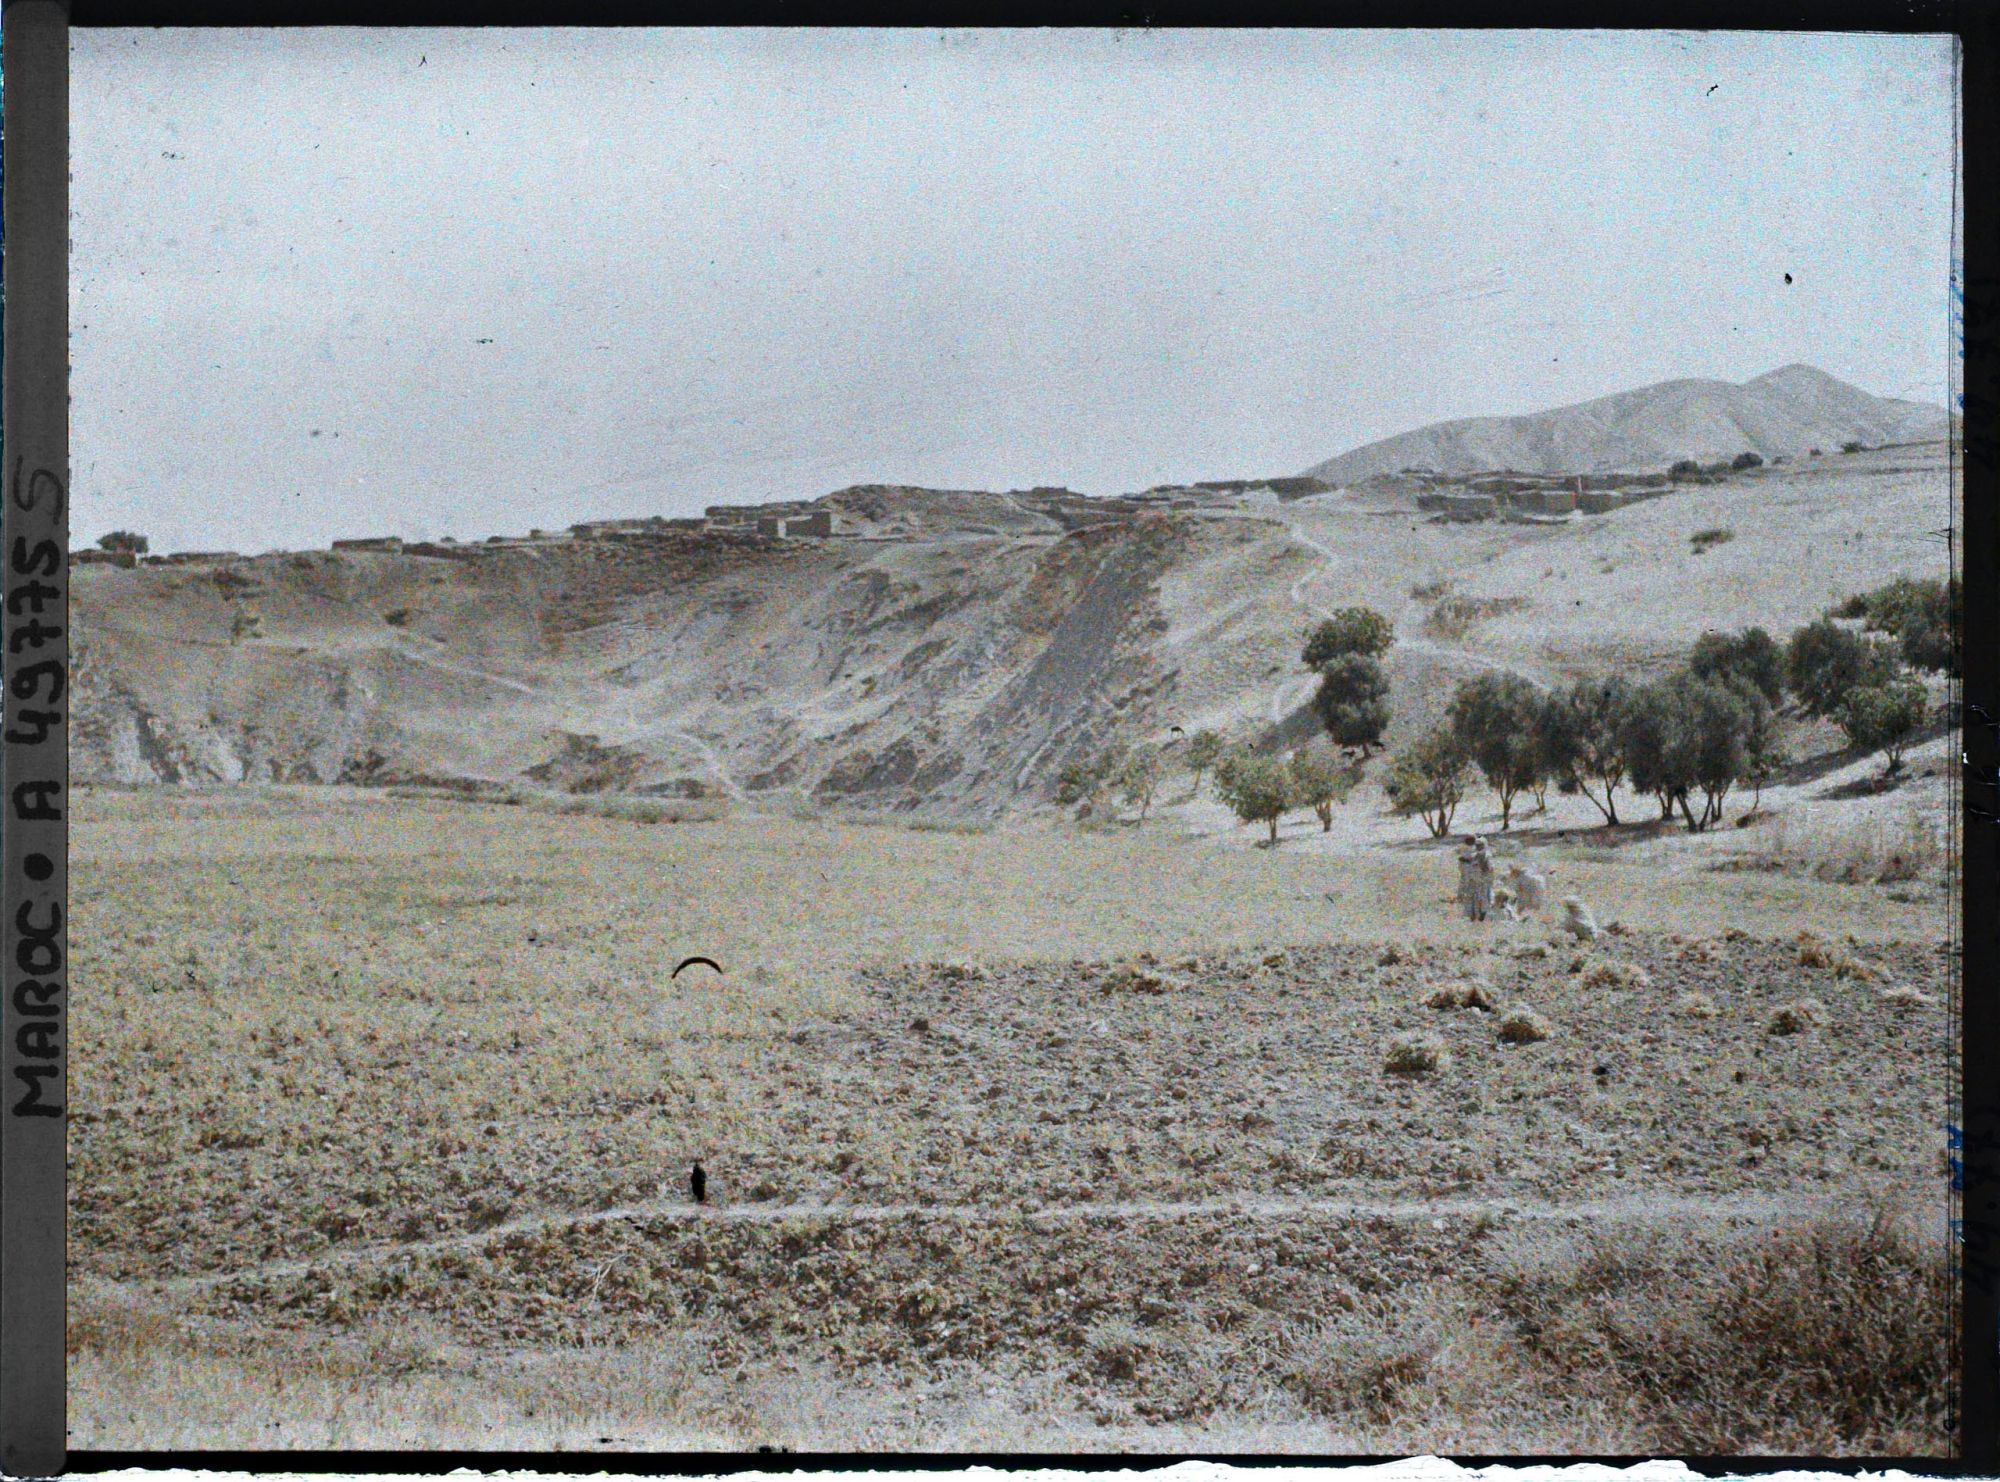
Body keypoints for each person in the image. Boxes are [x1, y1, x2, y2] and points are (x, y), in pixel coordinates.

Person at [1456, 834, 1495, 922]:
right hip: (1473, 883)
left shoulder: (1487, 856)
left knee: (1484, 901)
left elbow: (1489, 870)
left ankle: (1483, 917)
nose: (1478, 847)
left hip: (1483, 883)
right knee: (1472, 902)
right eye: (1477, 845)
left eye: (1480, 845)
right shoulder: (1474, 856)